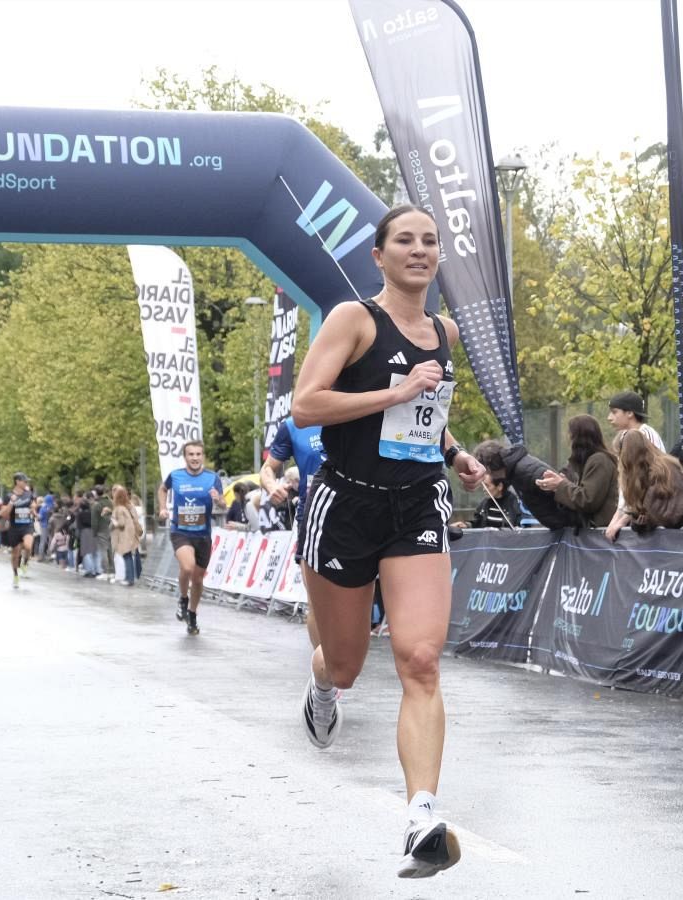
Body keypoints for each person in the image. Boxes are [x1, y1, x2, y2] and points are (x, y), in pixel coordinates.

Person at [291, 204, 487, 878]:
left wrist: (455, 451)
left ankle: (421, 815)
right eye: (404, 239)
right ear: (378, 255)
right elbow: (306, 405)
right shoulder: (354, 320)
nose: (419, 250)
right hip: (344, 503)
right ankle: (321, 685)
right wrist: (392, 390)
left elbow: (425, 413)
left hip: (417, 501)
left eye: (429, 241)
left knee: (421, 658)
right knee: (345, 664)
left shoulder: (445, 331)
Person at [158, 440, 224, 634]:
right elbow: (162, 489)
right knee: (187, 566)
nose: (195, 458)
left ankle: (192, 615)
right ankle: (183, 598)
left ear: (203, 456)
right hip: (181, 531)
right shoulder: (176, 476)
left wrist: (218, 499)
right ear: (185, 457)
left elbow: (223, 505)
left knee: (197, 579)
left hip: (203, 534)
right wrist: (163, 508)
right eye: (191, 454)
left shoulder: (212, 478)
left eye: (198, 454)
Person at [468, 439, 575, 529]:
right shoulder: (514, 472)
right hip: (561, 526)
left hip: (570, 526)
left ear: (489, 467)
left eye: (484, 470)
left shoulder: (525, 471)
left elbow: (562, 492)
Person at [536, 414, 619, 528]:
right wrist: (561, 483)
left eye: (570, 433)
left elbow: (587, 500)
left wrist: (561, 485)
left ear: (577, 437)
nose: (567, 437)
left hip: (600, 535)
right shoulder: (587, 461)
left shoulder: (599, 460)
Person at [604, 437, 683, 541]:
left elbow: (653, 508)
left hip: (679, 527)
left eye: (620, 455)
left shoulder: (658, 470)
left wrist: (638, 519)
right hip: (677, 526)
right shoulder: (660, 464)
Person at [261, 414, 326, 553]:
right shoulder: (292, 425)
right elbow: (267, 468)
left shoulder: (352, 411)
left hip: (354, 513)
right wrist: (272, 486)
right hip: (311, 518)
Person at [1, 473, 38, 588]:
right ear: (17, 481)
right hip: (14, 527)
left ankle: (25, 562)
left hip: (27, 525)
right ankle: (15, 575)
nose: (26, 483)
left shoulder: (29, 493)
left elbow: (33, 504)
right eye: (24, 481)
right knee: (15, 553)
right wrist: (11, 502)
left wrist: (33, 509)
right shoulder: (8, 496)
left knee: (28, 546)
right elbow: (5, 514)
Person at [110, 485, 143, 585]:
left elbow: (121, 523)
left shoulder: (119, 509)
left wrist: (113, 521)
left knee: (127, 556)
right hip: (130, 534)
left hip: (124, 536)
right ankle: (131, 577)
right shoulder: (127, 506)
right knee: (129, 556)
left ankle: (129, 579)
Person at [91, 483, 113, 581]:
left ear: (95, 493)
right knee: (110, 551)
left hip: (101, 530)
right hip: (111, 528)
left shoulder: (97, 505)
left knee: (103, 551)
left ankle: (105, 572)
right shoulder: (110, 502)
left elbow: (94, 521)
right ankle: (112, 571)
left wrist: (94, 532)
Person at [76, 488, 99, 577]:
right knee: (94, 552)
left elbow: (78, 526)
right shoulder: (92, 512)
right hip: (93, 532)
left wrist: (77, 536)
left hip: (85, 532)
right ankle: (96, 569)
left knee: (86, 552)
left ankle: (89, 570)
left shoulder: (80, 514)